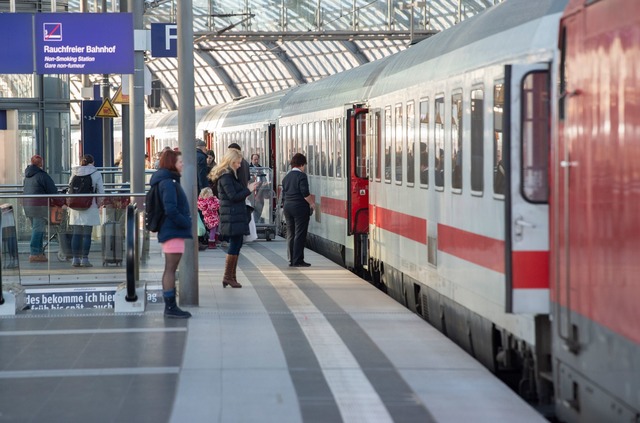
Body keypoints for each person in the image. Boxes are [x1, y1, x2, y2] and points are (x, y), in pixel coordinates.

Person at [149, 149, 192, 318]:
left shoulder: (168, 180)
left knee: (171, 268)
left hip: (171, 230)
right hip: (172, 230)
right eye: (180, 161)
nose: (182, 164)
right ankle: (170, 307)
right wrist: (186, 222)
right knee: (170, 269)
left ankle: (171, 306)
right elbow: (171, 209)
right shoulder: (168, 182)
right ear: (171, 163)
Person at [209, 149, 258, 288]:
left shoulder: (230, 176)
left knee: (237, 245)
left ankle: (231, 276)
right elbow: (233, 196)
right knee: (234, 245)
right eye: (237, 163)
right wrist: (248, 189)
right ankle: (228, 277)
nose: (239, 165)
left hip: (234, 215)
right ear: (230, 162)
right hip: (231, 216)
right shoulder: (226, 177)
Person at [68, 154, 105, 267]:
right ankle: (85, 259)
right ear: (92, 162)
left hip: (75, 206)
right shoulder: (96, 173)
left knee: (76, 233)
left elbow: (69, 188)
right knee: (87, 234)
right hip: (90, 204)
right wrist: (99, 204)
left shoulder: (75, 172)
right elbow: (101, 191)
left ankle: (75, 259)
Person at [23, 154, 58, 263]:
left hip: (28, 206)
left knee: (36, 228)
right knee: (38, 230)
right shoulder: (42, 175)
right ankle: (35, 253)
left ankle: (38, 252)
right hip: (39, 207)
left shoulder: (27, 176)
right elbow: (52, 190)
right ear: (40, 163)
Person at [282, 153, 315, 267]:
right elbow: (305, 193)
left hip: (287, 207)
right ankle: (298, 260)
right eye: (304, 165)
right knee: (300, 234)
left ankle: (291, 259)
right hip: (299, 208)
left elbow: (284, 194)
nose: (304, 167)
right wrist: (312, 204)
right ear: (301, 164)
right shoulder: (301, 176)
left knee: (291, 234)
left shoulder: (286, 177)